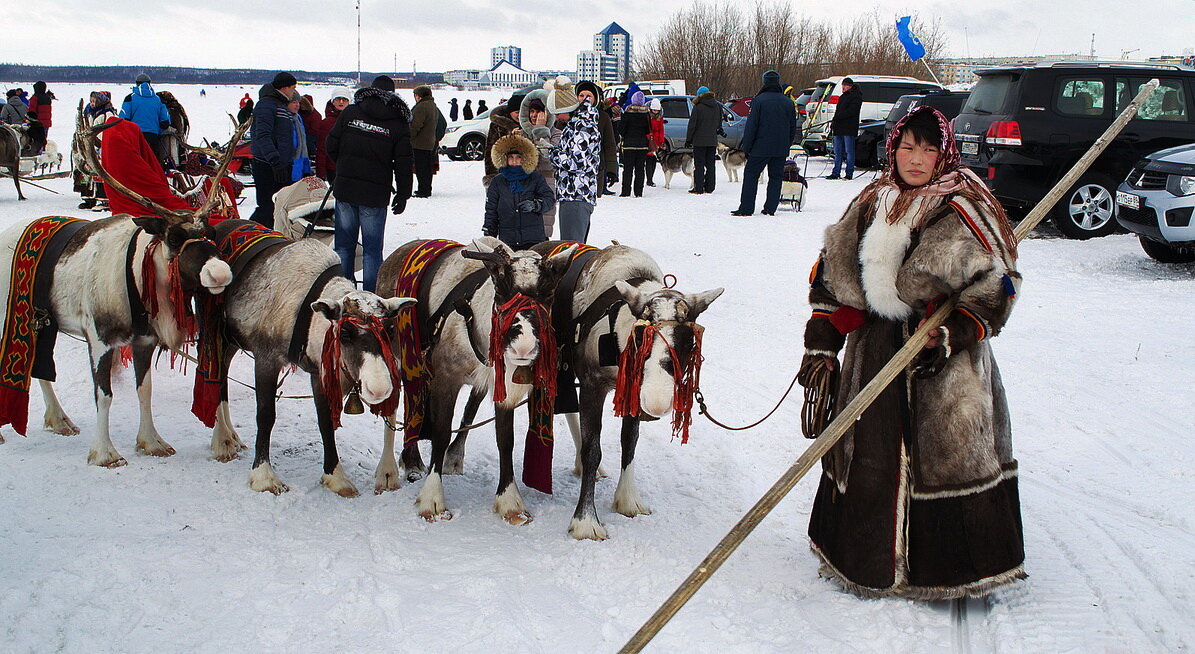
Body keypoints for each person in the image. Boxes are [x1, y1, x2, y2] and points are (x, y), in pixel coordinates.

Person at [799, 106, 1024, 600]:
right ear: (892, 148)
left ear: (943, 151)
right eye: (907, 147)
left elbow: (999, 285)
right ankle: (867, 559)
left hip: (940, 360)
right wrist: (822, 342)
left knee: (946, 455)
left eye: (927, 148)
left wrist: (956, 331)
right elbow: (831, 278)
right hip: (874, 353)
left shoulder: (965, 207)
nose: (916, 159)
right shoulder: (871, 201)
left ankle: (949, 570)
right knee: (870, 453)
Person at [326, 75, 413, 292]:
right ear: (393, 94)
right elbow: (404, 163)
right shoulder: (398, 122)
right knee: (372, 250)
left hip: (346, 189)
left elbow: (331, 144)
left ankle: (343, 292)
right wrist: (403, 194)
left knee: (344, 247)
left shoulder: (351, 112)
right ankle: (372, 295)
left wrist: (344, 167)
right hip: (375, 194)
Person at [732, 70, 797, 216]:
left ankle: (747, 208)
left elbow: (751, 126)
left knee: (751, 175)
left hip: (760, 147)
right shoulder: (788, 102)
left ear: (765, 82)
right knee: (776, 177)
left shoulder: (759, 101)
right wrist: (787, 144)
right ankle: (770, 208)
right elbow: (792, 127)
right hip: (780, 148)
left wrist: (747, 147)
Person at [547, 82, 601, 242]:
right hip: (575, 195)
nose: (556, 117)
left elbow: (577, 162)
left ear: (566, 108)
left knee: (572, 249)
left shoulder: (581, 127)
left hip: (576, 195)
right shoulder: (577, 125)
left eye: (557, 113)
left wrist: (552, 154)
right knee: (574, 247)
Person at [484, 134, 555, 250]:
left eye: (518, 157)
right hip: (508, 241)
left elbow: (549, 200)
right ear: (504, 158)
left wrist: (535, 205)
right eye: (511, 157)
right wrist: (489, 232)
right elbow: (491, 209)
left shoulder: (535, 178)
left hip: (533, 239)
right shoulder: (498, 181)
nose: (514, 161)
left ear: (525, 158)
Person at [249, 72, 299, 226]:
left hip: (279, 164)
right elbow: (262, 136)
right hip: (267, 165)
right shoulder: (266, 104)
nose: (293, 91)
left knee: (278, 207)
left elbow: (282, 137)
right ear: (284, 88)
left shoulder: (279, 105)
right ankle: (250, 234)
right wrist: (275, 161)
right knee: (267, 207)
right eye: (292, 88)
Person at [75, 91, 119, 211]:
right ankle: (88, 197)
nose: (92, 104)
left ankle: (104, 199)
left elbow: (110, 130)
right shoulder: (90, 113)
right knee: (86, 171)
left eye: (94, 101)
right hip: (90, 145)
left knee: (101, 171)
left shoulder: (108, 114)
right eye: (91, 101)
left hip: (101, 145)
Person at [574, 80, 619, 195]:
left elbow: (609, 145)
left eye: (589, 95)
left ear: (595, 98)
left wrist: (612, 170)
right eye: (581, 95)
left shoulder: (603, 117)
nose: (585, 98)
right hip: (573, 170)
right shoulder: (571, 116)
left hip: (595, 169)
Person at [119, 73, 172, 161]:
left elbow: (123, 119)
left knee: (136, 162)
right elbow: (165, 122)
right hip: (153, 138)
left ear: (136, 83)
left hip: (135, 137)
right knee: (152, 163)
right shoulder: (158, 99)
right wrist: (157, 130)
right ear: (149, 83)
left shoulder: (130, 98)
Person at [482, 90, 527, 186]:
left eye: (522, 112)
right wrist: (491, 174)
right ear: (510, 112)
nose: (519, 116)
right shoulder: (498, 125)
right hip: (502, 170)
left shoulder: (528, 125)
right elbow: (491, 149)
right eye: (517, 112)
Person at [686, 85, 723, 194]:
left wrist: (689, 139)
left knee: (699, 165)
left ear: (700, 95)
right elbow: (718, 123)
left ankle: (699, 188)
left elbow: (692, 125)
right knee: (711, 164)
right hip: (712, 140)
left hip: (699, 141)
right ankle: (710, 187)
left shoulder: (698, 107)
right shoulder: (717, 106)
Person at [617, 91, 651, 197]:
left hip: (629, 145)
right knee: (640, 169)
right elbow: (648, 130)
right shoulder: (646, 114)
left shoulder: (627, 113)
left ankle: (626, 191)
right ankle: (638, 192)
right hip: (642, 145)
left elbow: (621, 129)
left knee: (628, 169)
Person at [828, 78, 862, 180]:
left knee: (849, 151)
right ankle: (836, 172)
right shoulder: (842, 97)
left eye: (846, 85)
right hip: (838, 127)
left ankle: (849, 173)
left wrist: (838, 117)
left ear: (851, 86)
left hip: (849, 128)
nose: (843, 87)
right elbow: (838, 112)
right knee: (837, 151)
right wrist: (833, 123)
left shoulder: (856, 97)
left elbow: (851, 112)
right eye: (843, 85)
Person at [409, 85, 439, 198]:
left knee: (421, 168)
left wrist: (409, 137)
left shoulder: (421, 107)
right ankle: (426, 188)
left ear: (419, 96)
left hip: (420, 143)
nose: (415, 97)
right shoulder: (432, 105)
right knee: (426, 168)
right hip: (429, 141)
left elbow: (415, 125)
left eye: (416, 95)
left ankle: (423, 190)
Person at [315, 89, 350, 181]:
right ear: (333, 102)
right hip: (333, 168)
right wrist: (321, 173)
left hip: (351, 167)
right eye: (338, 99)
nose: (341, 102)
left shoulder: (353, 121)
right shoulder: (326, 123)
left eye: (344, 99)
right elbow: (322, 149)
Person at [285, 92, 314, 182]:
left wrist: (306, 169)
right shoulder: (283, 119)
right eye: (294, 102)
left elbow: (302, 147)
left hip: (299, 167)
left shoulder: (298, 118)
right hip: (289, 166)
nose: (297, 105)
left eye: (298, 102)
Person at [645, 98, 664, 187]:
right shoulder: (648, 117)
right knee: (649, 160)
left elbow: (661, 130)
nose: (655, 112)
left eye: (657, 110)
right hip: (649, 140)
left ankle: (651, 178)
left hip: (656, 141)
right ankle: (649, 179)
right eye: (654, 110)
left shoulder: (660, 118)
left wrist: (661, 141)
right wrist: (648, 137)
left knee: (653, 161)